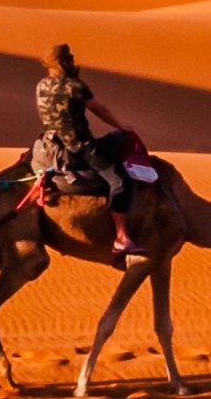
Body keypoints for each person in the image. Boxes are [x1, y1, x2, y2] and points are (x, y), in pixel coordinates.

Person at [29, 43, 155, 257]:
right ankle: (121, 238)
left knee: (115, 141)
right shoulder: (74, 86)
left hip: (49, 146)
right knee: (120, 181)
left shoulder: (41, 85)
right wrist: (122, 126)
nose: (72, 61)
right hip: (80, 148)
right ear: (62, 62)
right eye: (69, 58)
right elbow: (99, 109)